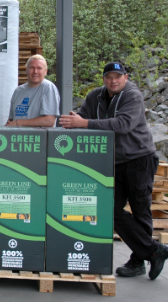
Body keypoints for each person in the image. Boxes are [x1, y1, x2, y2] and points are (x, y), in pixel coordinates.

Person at [60, 62, 168, 280]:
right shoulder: (95, 96)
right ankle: (154, 250)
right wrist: (73, 121)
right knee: (110, 210)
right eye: (109, 77)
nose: (113, 81)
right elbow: (83, 117)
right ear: (103, 79)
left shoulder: (133, 96)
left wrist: (84, 123)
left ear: (125, 78)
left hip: (139, 159)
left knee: (141, 211)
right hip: (113, 162)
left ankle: (139, 261)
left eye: (118, 76)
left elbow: (123, 124)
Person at [5, 54, 60, 127]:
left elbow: (49, 121)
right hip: (17, 136)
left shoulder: (48, 87)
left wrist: (19, 123)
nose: (35, 71)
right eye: (32, 68)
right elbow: (11, 119)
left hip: (38, 137)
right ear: (26, 70)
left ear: (45, 71)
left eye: (39, 68)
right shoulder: (18, 91)